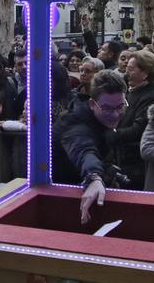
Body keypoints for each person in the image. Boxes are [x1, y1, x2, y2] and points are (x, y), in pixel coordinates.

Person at [53, 68, 128, 224]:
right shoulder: (75, 125)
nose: (115, 114)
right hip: (61, 198)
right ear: (92, 104)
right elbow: (83, 150)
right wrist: (93, 176)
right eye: (107, 108)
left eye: (120, 107)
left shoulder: (100, 120)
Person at [106, 48, 154, 189]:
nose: (126, 73)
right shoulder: (131, 92)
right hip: (122, 158)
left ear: (145, 73)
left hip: (136, 163)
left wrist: (110, 135)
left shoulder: (152, 96)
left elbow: (138, 129)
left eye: (131, 69)